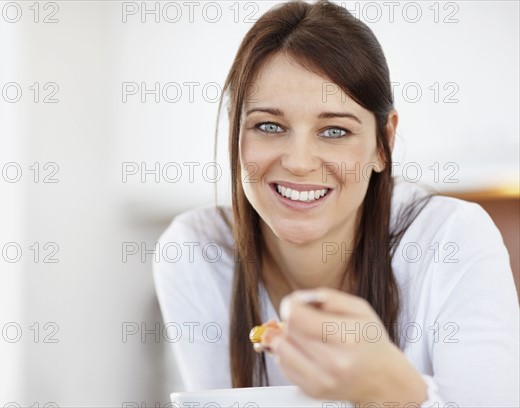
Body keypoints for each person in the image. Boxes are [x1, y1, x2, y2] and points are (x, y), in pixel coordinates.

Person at [153, 0, 520, 406]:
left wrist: (391, 387)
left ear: (385, 143)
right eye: (269, 126)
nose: (298, 162)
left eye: (334, 131)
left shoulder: (454, 240)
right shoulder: (195, 252)